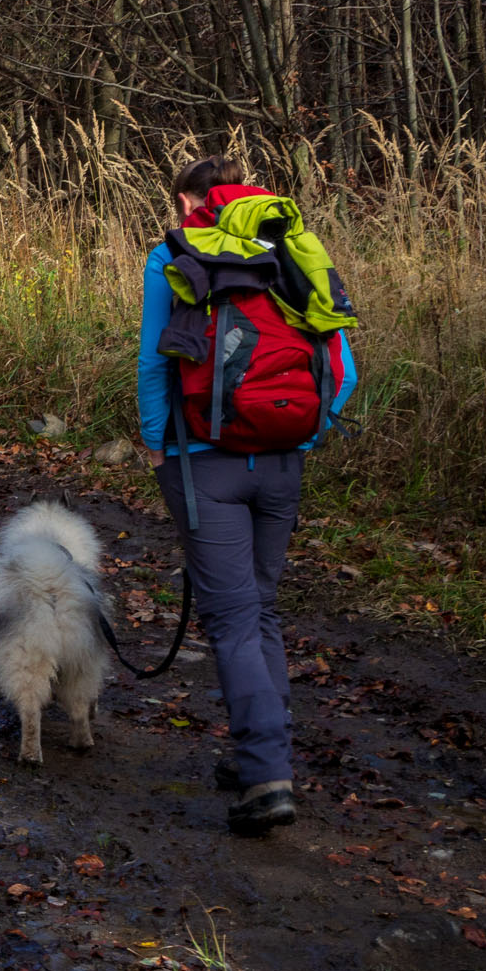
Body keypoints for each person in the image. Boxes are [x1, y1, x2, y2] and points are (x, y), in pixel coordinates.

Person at [136, 155, 357, 838]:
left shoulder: (172, 251)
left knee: (229, 619)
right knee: (258, 609)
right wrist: (307, 436)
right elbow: (342, 369)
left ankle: (266, 778)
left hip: (205, 462)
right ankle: (262, 752)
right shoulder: (294, 245)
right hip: (285, 457)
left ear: (190, 200)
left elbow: (152, 359)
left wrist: (157, 443)